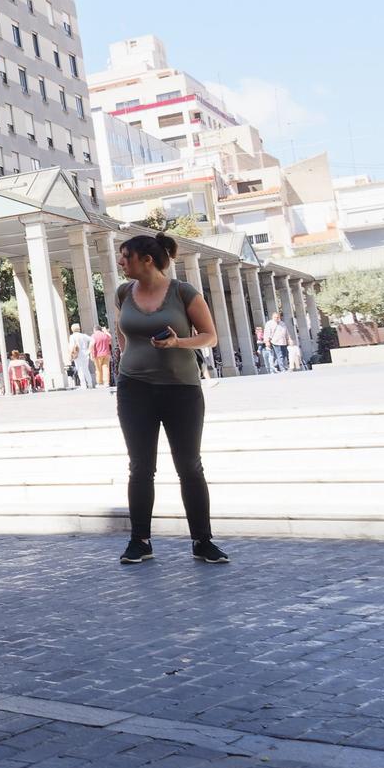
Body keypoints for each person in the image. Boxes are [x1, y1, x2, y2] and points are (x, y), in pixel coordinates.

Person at [111, 233, 229, 567]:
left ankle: (202, 541)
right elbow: (124, 337)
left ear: (146, 259)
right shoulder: (124, 293)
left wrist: (178, 344)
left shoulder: (183, 292)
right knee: (140, 467)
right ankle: (140, 541)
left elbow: (210, 336)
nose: (120, 262)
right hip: (134, 389)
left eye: (125, 256)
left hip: (181, 390)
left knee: (189, 466)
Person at [67, 323, 93, 389]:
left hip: (77, 355)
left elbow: (71, 346)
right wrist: (89, 350)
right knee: (86, 369)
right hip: (85, 354)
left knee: (80, 370)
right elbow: (92, 340)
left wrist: (70, 355)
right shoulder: (83, 335)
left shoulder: (72, 336)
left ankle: (83, 385)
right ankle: (90, 384)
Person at [90, 323, 114, 388]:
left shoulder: (94, 335)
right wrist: (105, 331)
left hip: (97, 354)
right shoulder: (105, 335)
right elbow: (110, 339)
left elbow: (91, 345)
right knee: (106, 368)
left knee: (98, 369)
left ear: (94, 329)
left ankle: (100, 383)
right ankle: (106, 383)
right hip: (106, 354)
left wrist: (91, 354)